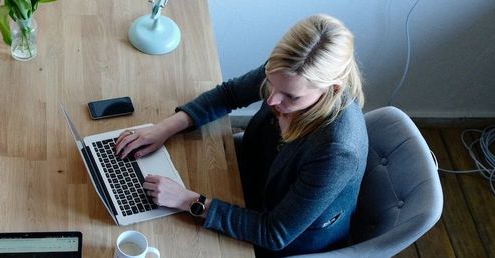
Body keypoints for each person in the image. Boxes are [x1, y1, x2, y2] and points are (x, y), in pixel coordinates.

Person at [115, 14, 368, 257]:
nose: (272, 99)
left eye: (291, 96)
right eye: (271, 82)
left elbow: (274, 233)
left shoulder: (336, 151)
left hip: (281, 239)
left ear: (333, 88)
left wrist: (187, 200)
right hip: (246, 183)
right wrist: (164, 128)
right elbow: (230, 95)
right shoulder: (287, 71)